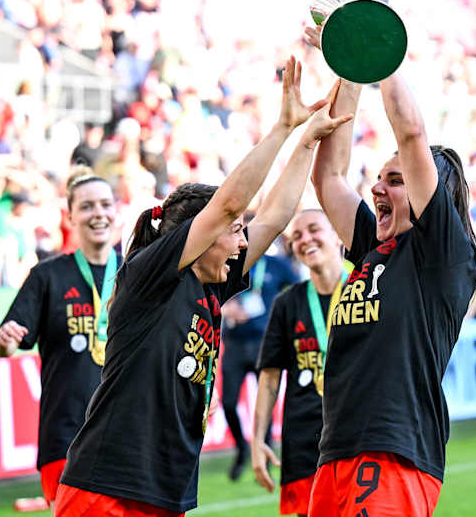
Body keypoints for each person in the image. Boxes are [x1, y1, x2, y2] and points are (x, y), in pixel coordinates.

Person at [55, 57, 352, 517]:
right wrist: (282, 128)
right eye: (233, 229)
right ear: (196, 235)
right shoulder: (153, 276)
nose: (241, 242)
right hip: (107, 490)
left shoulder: (210, 286)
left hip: (162, 491)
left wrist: (307, 140)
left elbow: (272, 217)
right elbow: (233, 200)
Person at [308, 60, 476, 515]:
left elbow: (410, 133)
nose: (377, 189)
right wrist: (348, 65)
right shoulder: (371, 246)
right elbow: (327, 178)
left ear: (431, 193)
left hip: (397, 447)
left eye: (396, 180)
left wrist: (377, 51)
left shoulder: (441, 254)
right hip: (337, 448)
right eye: (380, 178)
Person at [0, 167, 122, 511]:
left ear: (116, 211)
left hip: (127, 433)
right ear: (70, 215)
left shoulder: (135, 273)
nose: (98, 214)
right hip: (66, 435)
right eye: (87, 206)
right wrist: (4, 341)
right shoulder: (47, 276)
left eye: (105, 204)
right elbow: (3, 346)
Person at [252, 209, 347, 516]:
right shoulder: (287, 303)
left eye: (314, 229)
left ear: (338, 235)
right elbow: (269, 378)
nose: (305, 239)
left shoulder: (366, 294)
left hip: (356, 436)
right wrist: (257, 439)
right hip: (305, 443)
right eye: (296, 236)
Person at [222, 248, 299, 481]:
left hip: (263, 342)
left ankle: (263, 455)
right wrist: (225, 307)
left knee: (265, 401)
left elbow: (298, 288)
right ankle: (241, 449)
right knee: (228, 403)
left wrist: (282, 317)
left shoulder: (275, 264)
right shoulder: (230, 262)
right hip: (234, 344)